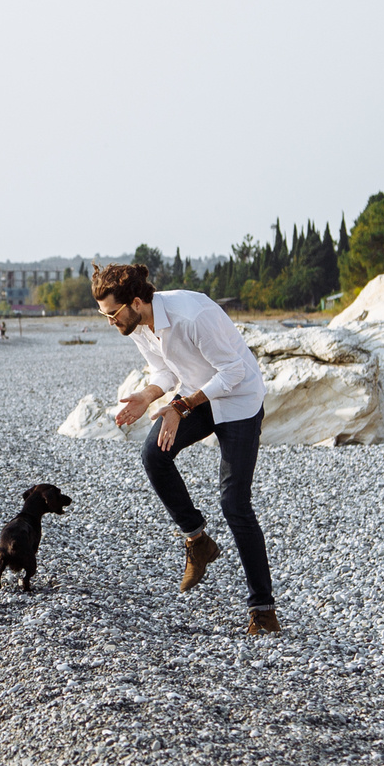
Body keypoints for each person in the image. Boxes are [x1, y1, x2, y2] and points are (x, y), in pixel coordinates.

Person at [92, 261, 279, 635]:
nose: (110, 322)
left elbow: (233, 372)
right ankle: (198, 541)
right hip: (198, 395)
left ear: (135, 301)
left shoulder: (191, 316)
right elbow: (165, 372)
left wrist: (180, 407)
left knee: (234, 504)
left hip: (239, 400)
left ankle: (263, 611)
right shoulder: (137, 325)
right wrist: (147, 396)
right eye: (104, 316)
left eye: (112, 314)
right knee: (153, 455)